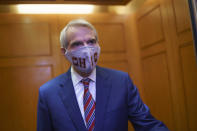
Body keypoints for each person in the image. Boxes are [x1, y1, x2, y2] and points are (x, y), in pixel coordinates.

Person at [37, 19, 169, 131]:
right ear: (64, 52)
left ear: (98, 45)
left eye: (91, 42)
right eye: (77, 44)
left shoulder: (121, 82)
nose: (87, 49)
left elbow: (148, 125)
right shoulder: (48, 93)